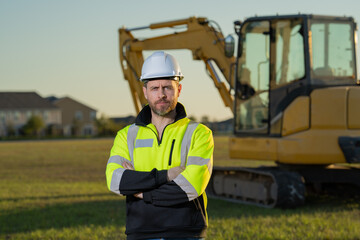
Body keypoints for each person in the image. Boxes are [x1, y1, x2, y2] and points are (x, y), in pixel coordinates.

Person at [105, 51, 214, 240]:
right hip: (141, 232)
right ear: (145, 91)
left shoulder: (199, 133)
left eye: (167, 87)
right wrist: (167, 175)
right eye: (155, 88)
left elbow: (189, 187)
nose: (161, 94)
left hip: (186, 233)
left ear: (179, 90)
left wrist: (140, 192)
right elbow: (116, 181)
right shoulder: (126, 136)